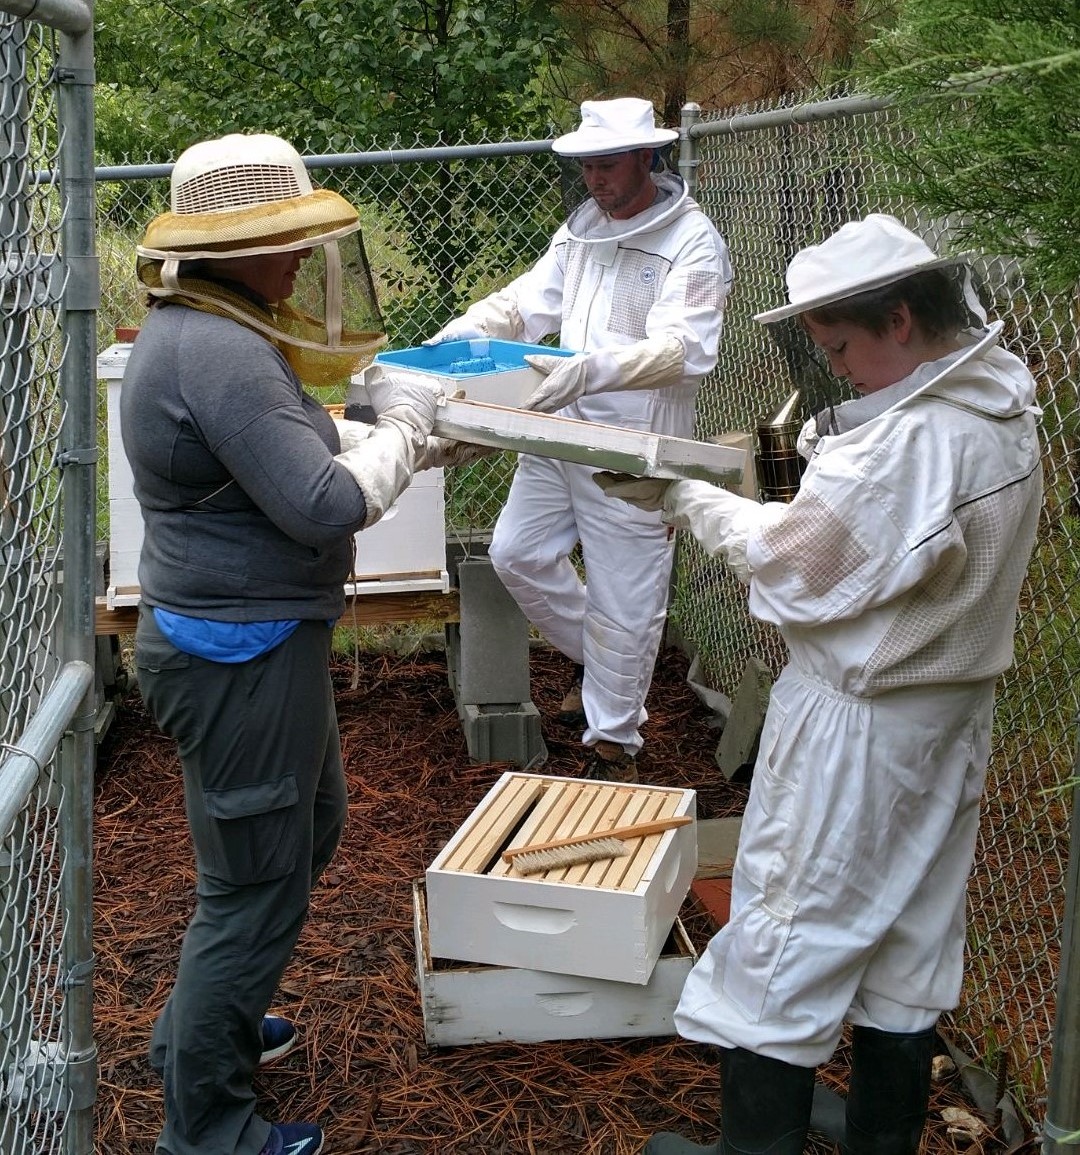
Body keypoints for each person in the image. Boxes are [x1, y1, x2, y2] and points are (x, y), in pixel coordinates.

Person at [597, 213, 1044, 1153]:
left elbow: (792, 560)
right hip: (948, 720)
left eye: (841, 345)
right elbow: (872, 519)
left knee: (785, 940)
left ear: (899, 321)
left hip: (862, 729)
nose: (835, 367)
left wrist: (681, 492)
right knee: (910, 941)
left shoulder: (916, 447)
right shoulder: (1003, 403)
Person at [122, 133, 443, 1155]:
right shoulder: (217, 348)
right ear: (233, 244)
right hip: (238, 652)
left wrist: (380, 423)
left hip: (249, 641)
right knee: (254, 882)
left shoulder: (219, 327)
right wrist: (405, 433)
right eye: (285, 237)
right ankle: (208, 1127)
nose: (303, 256)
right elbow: (318, 503)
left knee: (302, 835)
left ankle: (204, 1031)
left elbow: (290, 444)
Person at [425, 97, 733, 783]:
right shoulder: (584, 228)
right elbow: (527, 301)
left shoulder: (692, 240)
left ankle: (613, 742)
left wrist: (590, 368)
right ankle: (611, 661)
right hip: (558, 424)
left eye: (608, 163)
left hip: (631, 444)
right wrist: (461, 333)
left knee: (627, 595)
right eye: (587, 165)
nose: (596, 178)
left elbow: (686, 350)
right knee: (518, 553)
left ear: (647, 157)